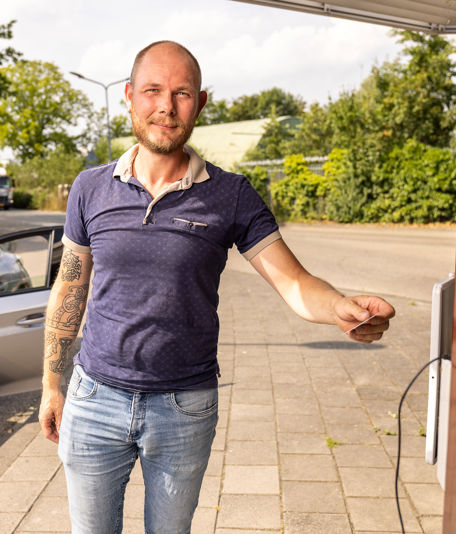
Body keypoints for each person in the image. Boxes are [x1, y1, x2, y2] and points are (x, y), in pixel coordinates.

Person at [39, 40, 395, 534]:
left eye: (182, 93)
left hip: (183, 408)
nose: (166, 106)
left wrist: (341, 308)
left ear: (200, 103)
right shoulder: (90, 187)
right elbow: (69, 290)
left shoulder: (231, 195)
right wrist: (51, 385)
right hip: (94, 399)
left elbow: (293, 281)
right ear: (128, 96)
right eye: (152, 90)